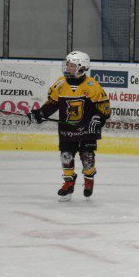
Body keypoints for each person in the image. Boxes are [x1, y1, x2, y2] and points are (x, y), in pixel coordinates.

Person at [28, 51, 110, 200]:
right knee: (66, 156)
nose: (68, 67)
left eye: (72, 65)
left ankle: (89, 179)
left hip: (87, 129)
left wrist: (98, 119)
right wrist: (40, 113)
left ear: (82, 67)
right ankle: (68, 183)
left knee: (87, 157)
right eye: (67, 64)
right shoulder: (60, 84)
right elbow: (52, 104)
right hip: (67, 129)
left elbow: (104, 108)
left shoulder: (92, 85)